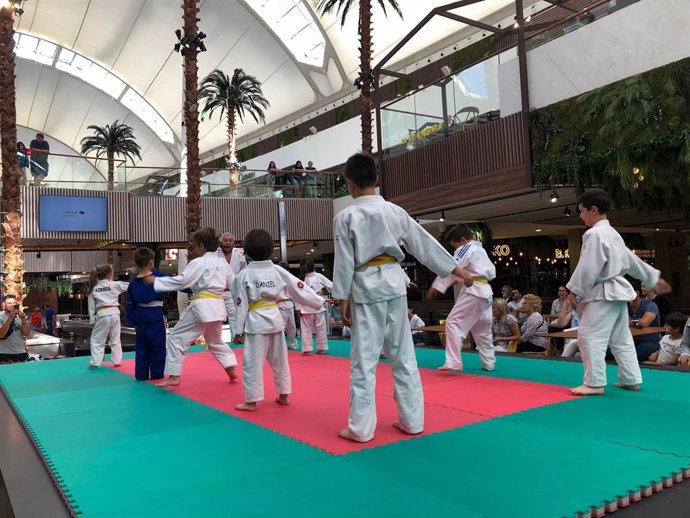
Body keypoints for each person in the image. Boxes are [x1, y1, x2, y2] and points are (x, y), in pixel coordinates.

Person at [332, 152, 472, 443]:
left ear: (349, 184)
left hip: (365, 286)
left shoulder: (345, 216)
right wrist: (453, 267)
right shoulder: (395, 212)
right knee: (403, 356)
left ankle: (360, 428)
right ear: (377, 180)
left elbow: (344, 261)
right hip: (394, 284)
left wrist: (341, 297)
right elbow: (424, 243)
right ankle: (412, 421)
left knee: (364, 360)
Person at [566, 188, 669, 395]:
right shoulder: (612, 234)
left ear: (593, 209)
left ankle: (594, 383)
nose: (580, 215)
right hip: (617, 293)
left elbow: (588, 267)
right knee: (620, 338)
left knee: (589, 337)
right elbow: (631, 261)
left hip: (602, 293)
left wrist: (574, 291)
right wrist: (652, 277)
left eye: (582, 210)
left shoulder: (594, 234)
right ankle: (630, 378)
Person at [232, 229, 326, 411]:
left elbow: (240, 304)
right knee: (280, 360)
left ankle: (251, 400)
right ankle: (284, 394)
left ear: (247, 251)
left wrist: (238, 330)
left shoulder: (243, 275)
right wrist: (319, 301)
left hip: (256, 323)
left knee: (253, 362)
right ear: (270, 250)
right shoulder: (277, 271)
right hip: (275, 319)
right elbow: (299, 288)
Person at [144, 227, 238, 387]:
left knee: (176, 338)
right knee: (215, 341)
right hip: (218, 306)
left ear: (201, 245)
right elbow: (233, 285)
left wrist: (157, 281)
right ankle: (230, 368)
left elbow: (182, 281)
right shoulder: (223, 264)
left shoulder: (199, 262)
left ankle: (174, 375)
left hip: (202, 305)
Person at [427, 224, 496, 371]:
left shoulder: (466, 248)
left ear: (463, 239)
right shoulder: (480, 250)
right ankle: (489, 363)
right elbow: (490, 271)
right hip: (486, 291)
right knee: (482, 328)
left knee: (453, 322)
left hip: (474, 290)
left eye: (455, 245)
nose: (455, 249)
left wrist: (437, 287)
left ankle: (453, 362)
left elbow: (451, 266)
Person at [126, 247, 168, 381]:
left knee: (141, 348)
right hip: (155, 316)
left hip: (140, 317)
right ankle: (156, 375)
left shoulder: (133, 282)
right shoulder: (159, 277)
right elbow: (179, 283)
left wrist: (131, 321)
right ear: (151, 262)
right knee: (158, 347)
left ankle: (141, 375)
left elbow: (129, 303)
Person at [87, 264, 128, 368]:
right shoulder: (114, 284)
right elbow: (130, 285)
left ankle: (95, 362)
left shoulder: (94, 288)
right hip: (115, 313)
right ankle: (117, 361)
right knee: (115, 338)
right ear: (110, 274)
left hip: (102, 314)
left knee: (97, 340)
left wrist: (92, 321)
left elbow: (91, 308)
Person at [297, 257, 332, 354]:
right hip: (318, 306)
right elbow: (331, 285)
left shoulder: (300, 280)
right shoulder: (318, 276)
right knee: (321, 328)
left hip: (306, 307)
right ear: (313, 266)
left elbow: (297, 296)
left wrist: (298, 308)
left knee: (306, 329)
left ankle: (307, 349)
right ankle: (321, 348)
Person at [218, 232, 247, 332]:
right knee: (216, 318)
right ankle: (213, 344)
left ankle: (235, 340)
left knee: (234, 316)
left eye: (230, 241)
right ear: (220, 241)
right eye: (225, 240)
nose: (228, 243)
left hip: (233, 291)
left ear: (234, 242)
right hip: (217, 291)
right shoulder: (215, 253)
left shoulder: (239, 254)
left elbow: (244, 272)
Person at [627, 280, 661, 362]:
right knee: (608, 353)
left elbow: (644, 322)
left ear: (637, 293)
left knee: (630, 358)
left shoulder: (650, 305)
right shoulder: (624, 306)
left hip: (650, 341)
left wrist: (628, 322)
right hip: (631, 340)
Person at [0, 295, 31, 363]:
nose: (12, 305)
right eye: (10, 303)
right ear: (3, 304)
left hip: (21, 353)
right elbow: (1, 335)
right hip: (4, 354)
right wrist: (10, 317)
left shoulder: (20, 316)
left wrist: (23, 321)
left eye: (14, 303)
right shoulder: (1, 316)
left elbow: (26, 334)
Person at [277, 261, 298, 350]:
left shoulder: (290, 279)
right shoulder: (275, 279)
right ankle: (280, 346)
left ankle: (292, 344)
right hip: (279, 304)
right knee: (281, 326)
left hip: (289, 303)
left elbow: (295, 293)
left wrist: (297, 306)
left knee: (292, 326)